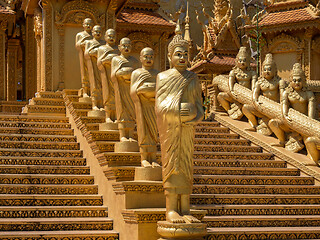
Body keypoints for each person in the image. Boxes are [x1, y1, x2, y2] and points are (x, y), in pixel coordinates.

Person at [155, 24, 204, 224]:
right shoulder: (163, 77)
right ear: (169, 58)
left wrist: (195, 115)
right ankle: (171, 209)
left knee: (185, 165)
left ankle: (185, 207)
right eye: (178, 54)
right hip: (170, 129)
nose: (182, 58)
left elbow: (200, 107)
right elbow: (159, 107)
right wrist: (177, 111)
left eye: (185, 54)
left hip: (187, 129)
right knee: (172, 164)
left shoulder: (193, 78)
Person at [269, 63, 316, 152]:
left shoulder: (308, 94)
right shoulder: (286, 93)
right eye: (294, 80)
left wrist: (306, 123)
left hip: (304, 122)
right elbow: (284, 106)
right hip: (290, 121)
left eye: (299, 80)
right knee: (273, 123)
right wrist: (286, 116)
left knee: (309, 140)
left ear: (303, 81)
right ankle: (282, 141)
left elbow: (311, 115)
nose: (297, 83)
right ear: (290, 81)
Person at [242, 53, 285, 134]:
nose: (267, 72)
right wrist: (257, 103)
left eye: (269, 69)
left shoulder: (279, 82)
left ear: (274, 70)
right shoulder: (259, 82)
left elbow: (283, 97)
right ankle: (254, 125)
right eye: (265, 70)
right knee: (245, 108)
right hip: (262, 108)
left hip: (275, 108)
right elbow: (254, 96)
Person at [130, 47, 159, 167]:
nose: (148, 59)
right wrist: (142, 90)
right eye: (146, 57)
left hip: (154, 105)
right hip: (142, 106)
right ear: (140, 58)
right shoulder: (136, 73)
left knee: (154, 132)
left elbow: (162, 90)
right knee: (144, 132)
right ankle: (144, 158)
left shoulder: (158, 74)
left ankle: (153, 157)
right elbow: (132, 90)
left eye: (151, 57)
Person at [111, 38, 139, 144]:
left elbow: (138, 76)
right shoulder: (116, 60)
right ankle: (123, 135)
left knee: (131, 111)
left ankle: (130, 134)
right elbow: (113, 75)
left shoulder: (135, 62)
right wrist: (121, 73)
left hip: (130, 89)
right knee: (122, 111)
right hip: (121, 89)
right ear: (119, 47)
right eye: (124, 46)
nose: (126, 48)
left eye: (128, 46)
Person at [217, 46, 257, 120]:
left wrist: (252, 95)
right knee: (220, 96)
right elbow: (230, 84)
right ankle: (229, 110)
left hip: (247, 95)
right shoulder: (233, 72)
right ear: (237, 61)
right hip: (235, 95)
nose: (242, 63)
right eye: (240, 61)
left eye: (244, 61)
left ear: (248, 61)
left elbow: (254, 86)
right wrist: (232, 91)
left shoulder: (252, 73)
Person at [97, 29, 119, 123]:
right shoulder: (102, 49)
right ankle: (108, 116)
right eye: (109, 36)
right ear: (105, 37)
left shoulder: (118, 49)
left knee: (117, 95)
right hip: (106, 73)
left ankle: (116, 116)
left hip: (116, 75)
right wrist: (107, 60)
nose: (111, 38)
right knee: (108, 94)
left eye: (113, 36)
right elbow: (99, 62)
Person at [84, 25, 105, 112]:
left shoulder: (104, 43)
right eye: (96, 31)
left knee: (103, 85)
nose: (98, 33)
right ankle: (95, 104)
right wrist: (96, 52)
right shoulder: (89, 42)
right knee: (94, 84)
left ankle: (102, 104)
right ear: (92, 33)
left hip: (102, 68)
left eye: (99, 31)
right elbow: (86, 53)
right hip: (92, 66)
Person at [75, 18, 93, 100]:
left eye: (90, 24)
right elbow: (77, 45)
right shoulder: (80, 35)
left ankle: (93, 91)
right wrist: (84, 43)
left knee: (92, 74)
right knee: (84, 73)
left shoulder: (94, 35)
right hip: (83, 56)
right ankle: (85, 91)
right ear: (83, 25)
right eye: (86, 24)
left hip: (92, 58)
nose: (88, 26)